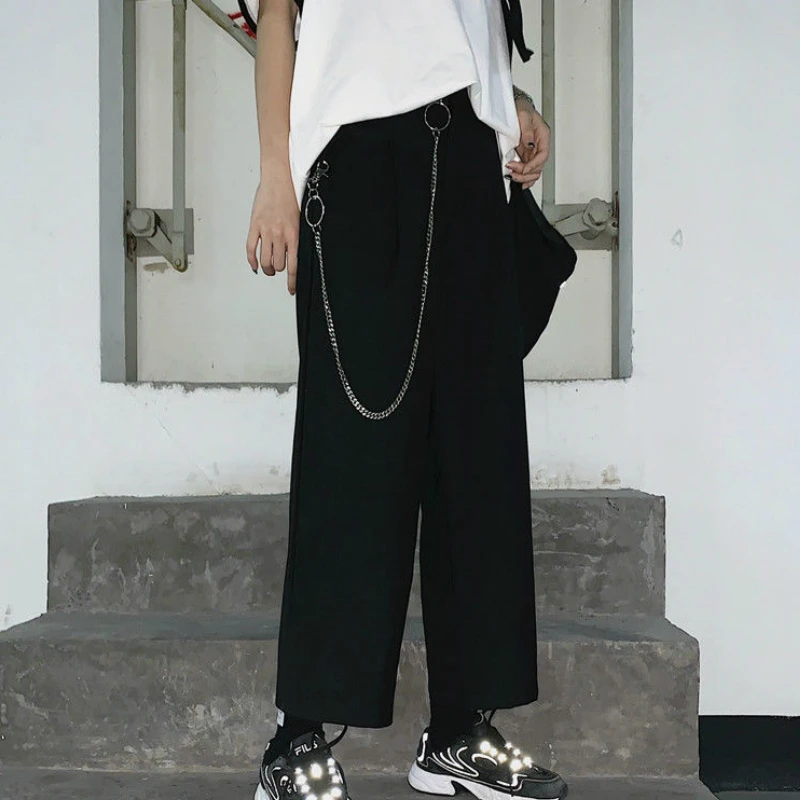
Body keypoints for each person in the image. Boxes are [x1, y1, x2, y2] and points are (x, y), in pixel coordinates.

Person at [245, 1, 568, 799]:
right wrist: (276, 175)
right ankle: (295, 740)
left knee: (477, 465)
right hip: (362, 163)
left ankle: (460, 732)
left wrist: (510, 102)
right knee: (353, 459)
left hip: (471, 164)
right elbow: (279, 14)